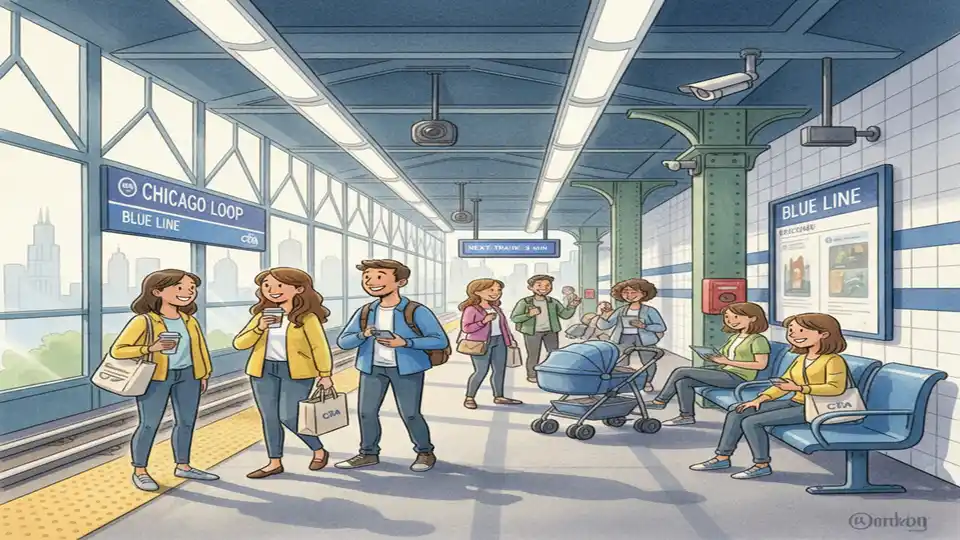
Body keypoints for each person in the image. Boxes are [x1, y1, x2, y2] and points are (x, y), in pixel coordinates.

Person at [690, 312, 850, 479]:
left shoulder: (833, 360)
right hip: (796, 402)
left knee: (752, 422)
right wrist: (760, 399)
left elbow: (835, 388)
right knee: (738, 411)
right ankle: (722, 457)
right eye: (791, 331)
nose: (794, 335)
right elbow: (783, 384)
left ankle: (761, 464)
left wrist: (800, 388)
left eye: (801, 331)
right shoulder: (802, 358)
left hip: (817, 408)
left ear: (823, 334)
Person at [109, 269, 219, 492]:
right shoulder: (144, 321)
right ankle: (140, 470)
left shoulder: (189, 321)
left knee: (186, 422)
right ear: (157, 291)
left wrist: (204, 373)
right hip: (156, 378)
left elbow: (199, 349)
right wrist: (151, 348)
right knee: (149, 424)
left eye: (191, 289)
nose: (188, 292)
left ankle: (183, 465)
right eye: (180, 288)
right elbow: (118, 351)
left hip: (188, 376)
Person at [336, 259, 449, 472]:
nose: (371, 282)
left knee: (410, 413)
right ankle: (368, 453)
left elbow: (439, 340)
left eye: (379, 277)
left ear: (401, 282)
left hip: (406, 369)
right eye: (367, 277)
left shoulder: (416, 310)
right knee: (366, 413)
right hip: (372, 369)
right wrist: (363, 334)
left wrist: (405, 342)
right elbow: (343, 341)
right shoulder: (366, 311)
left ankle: (425, 452)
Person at [234, 267, 335, 479]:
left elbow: (320, 346)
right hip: (263, 371)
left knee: (289, 416)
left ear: (298, 289)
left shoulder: (306, 318)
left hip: (297, 372)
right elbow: (240, 343)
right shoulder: (262, 316)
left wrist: (325, 374)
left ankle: (318, 449)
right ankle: (274, 462)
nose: (272, 290)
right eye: (267, 286)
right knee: (269, 417)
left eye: (279, 285)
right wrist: (260, 327)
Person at [646, 302, 770, 426]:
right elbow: (724, 356)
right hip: (726, 372)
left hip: (740, 378)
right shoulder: (735, 337)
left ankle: (660, 402)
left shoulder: (758, 340)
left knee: (681, 371)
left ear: (753, 318)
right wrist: (712, 357)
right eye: (727, 317)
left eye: (736, 317)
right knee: (683, 382)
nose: (730, 321)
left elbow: (760, 365)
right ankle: (686, 416)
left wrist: (727, 361)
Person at [458, 278, 523, 409]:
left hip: (499, 341)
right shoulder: (471, 309)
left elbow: (503, 326)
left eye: (498, 290)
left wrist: (510, 340)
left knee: (499, 370)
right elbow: (466, 328)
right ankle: (469, 397)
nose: (496, 292)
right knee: (481, 371)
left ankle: (499, 396)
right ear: (477, 292)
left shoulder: (496, 308)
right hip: (480, 343)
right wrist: (484, 321)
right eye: (491, 290)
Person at [594, 278, 666, 392]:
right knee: (619, 362)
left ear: (644, 294)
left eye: (633, 292)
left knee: (648, 362)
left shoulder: (649, 311)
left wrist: (644, 326)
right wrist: (601, 314)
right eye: (625, 292)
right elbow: (604, 326)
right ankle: (620, 383)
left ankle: (647, 381)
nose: (629, 295)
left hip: (645, 339)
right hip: (623, 338)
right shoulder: (621, 310)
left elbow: (661, 327)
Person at [510, 274, 580, 383]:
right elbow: (515, 318)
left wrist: (572, 306)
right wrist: (529, 315)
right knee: (533, 355)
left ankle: (552, 373)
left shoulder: (553, 302)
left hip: (551, 331)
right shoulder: (525, 302)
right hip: (532, 332)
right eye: (539, 285)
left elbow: (565, 315)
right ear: (530, 288)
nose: (544, 288)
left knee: (554, 354)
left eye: (548, 285)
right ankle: (532, 375)